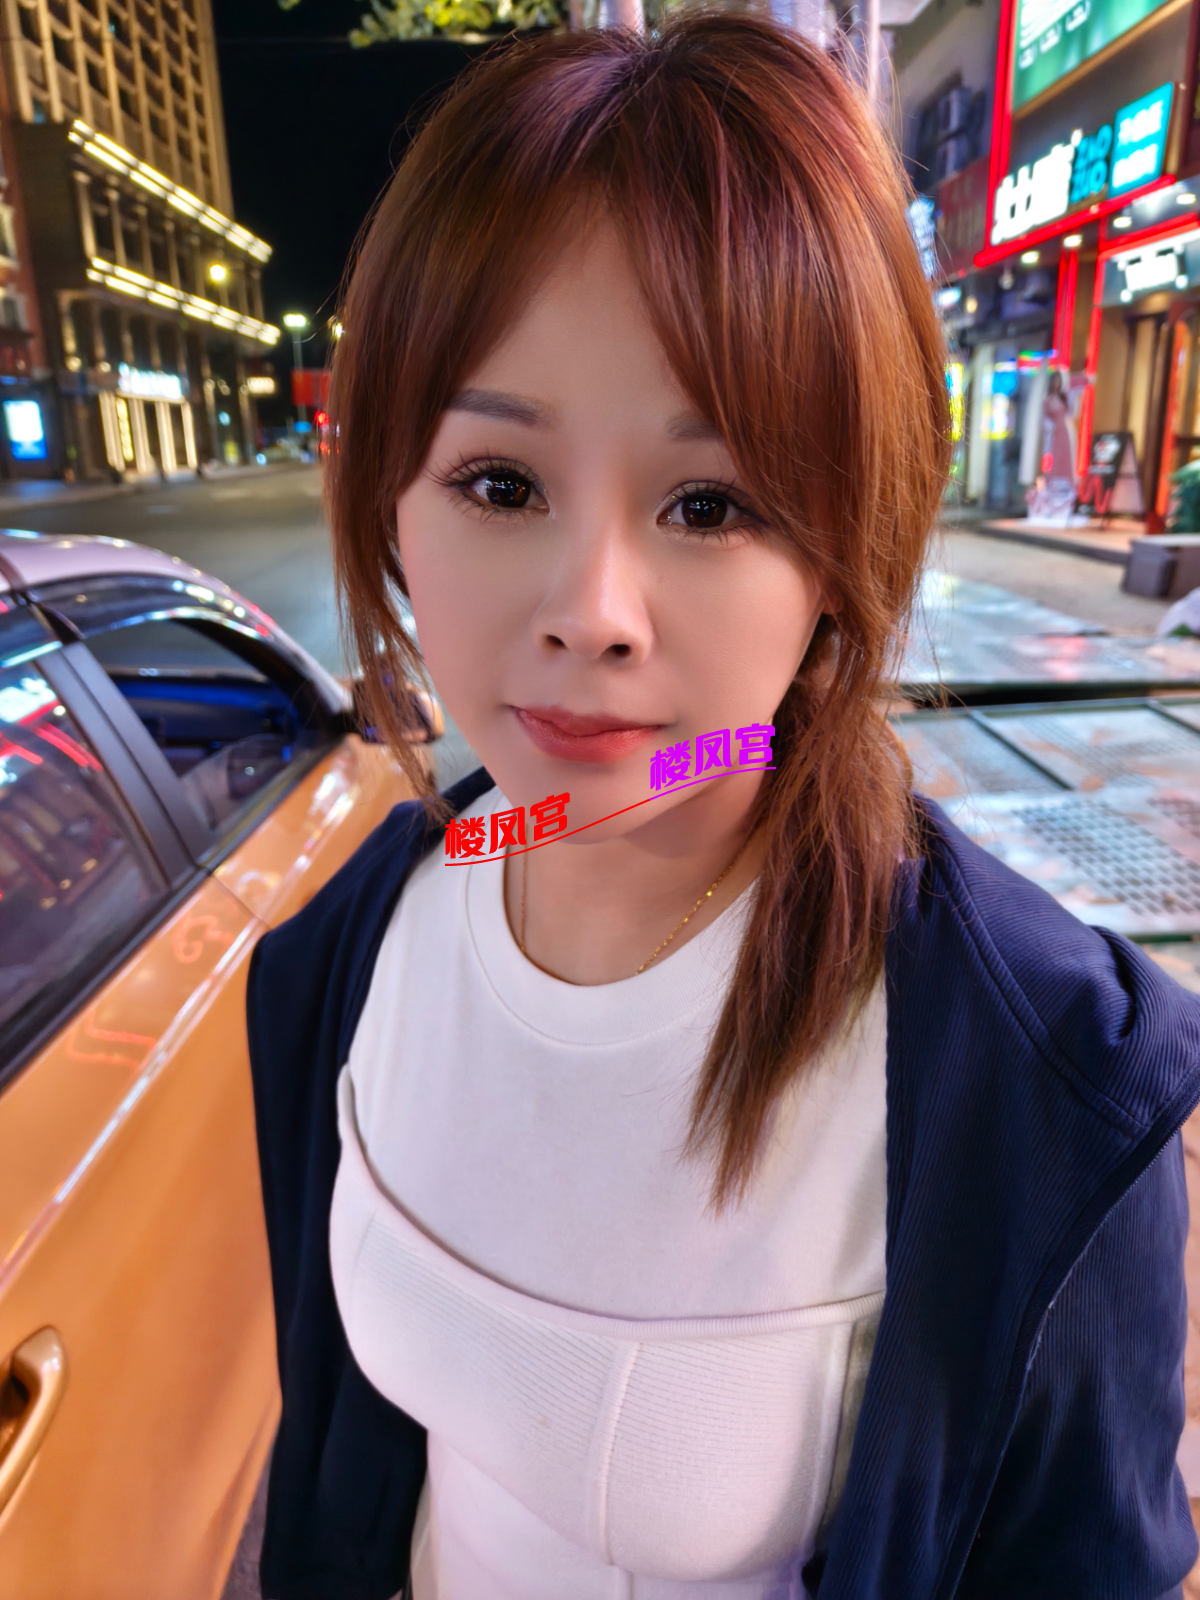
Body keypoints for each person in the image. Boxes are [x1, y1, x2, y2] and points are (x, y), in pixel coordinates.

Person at [246, 17, 1200, 1600]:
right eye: (500, 483)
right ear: (393, 508)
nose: (592, 612)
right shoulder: (369, 933)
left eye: (711, 503)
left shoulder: (1042, 1087)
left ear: (841, 558)